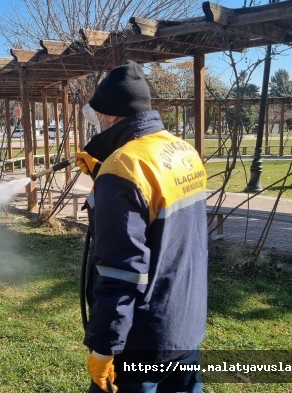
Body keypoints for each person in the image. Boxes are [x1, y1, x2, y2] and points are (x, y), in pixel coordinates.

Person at [76, 60, 208, 393]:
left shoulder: (122, 168)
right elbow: (159, 223)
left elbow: (121, 270)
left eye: (98, 118)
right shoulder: (184, 151)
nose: (98, 126)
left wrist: (105, 346)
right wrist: (102, 176)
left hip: (142, 337)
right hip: (185, 323)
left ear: (112, 115)